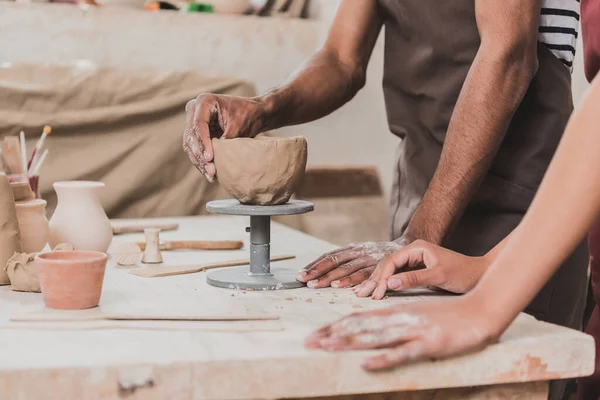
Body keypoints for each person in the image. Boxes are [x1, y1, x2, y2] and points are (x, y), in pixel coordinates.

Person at [183, 1, 586, 332]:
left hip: (519, 215)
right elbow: (342, 59)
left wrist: (418, 235)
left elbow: (507, 56)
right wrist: (263, 108)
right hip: (419, 198)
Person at [306, 3, 600, 399]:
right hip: (510, 232)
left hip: (518, 199)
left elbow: (508, 53)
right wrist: (489, 270)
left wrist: (487, 303)